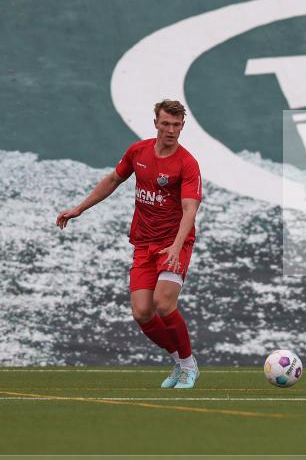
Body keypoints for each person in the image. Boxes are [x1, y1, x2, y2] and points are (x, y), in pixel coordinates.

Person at [56, 100, 202, 389]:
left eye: (176, 125)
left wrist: (176, 247)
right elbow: (113, 179)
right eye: (165, 123)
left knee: (163, 302)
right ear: (156, 123)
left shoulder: (187, 163)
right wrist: (79, 208)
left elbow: (190, 209)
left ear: (182, 127)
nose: (170, 130)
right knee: (142, 312)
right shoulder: (138, 152)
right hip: (144, 242)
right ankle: (179, 360)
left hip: (174, 243)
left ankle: (189, 366)